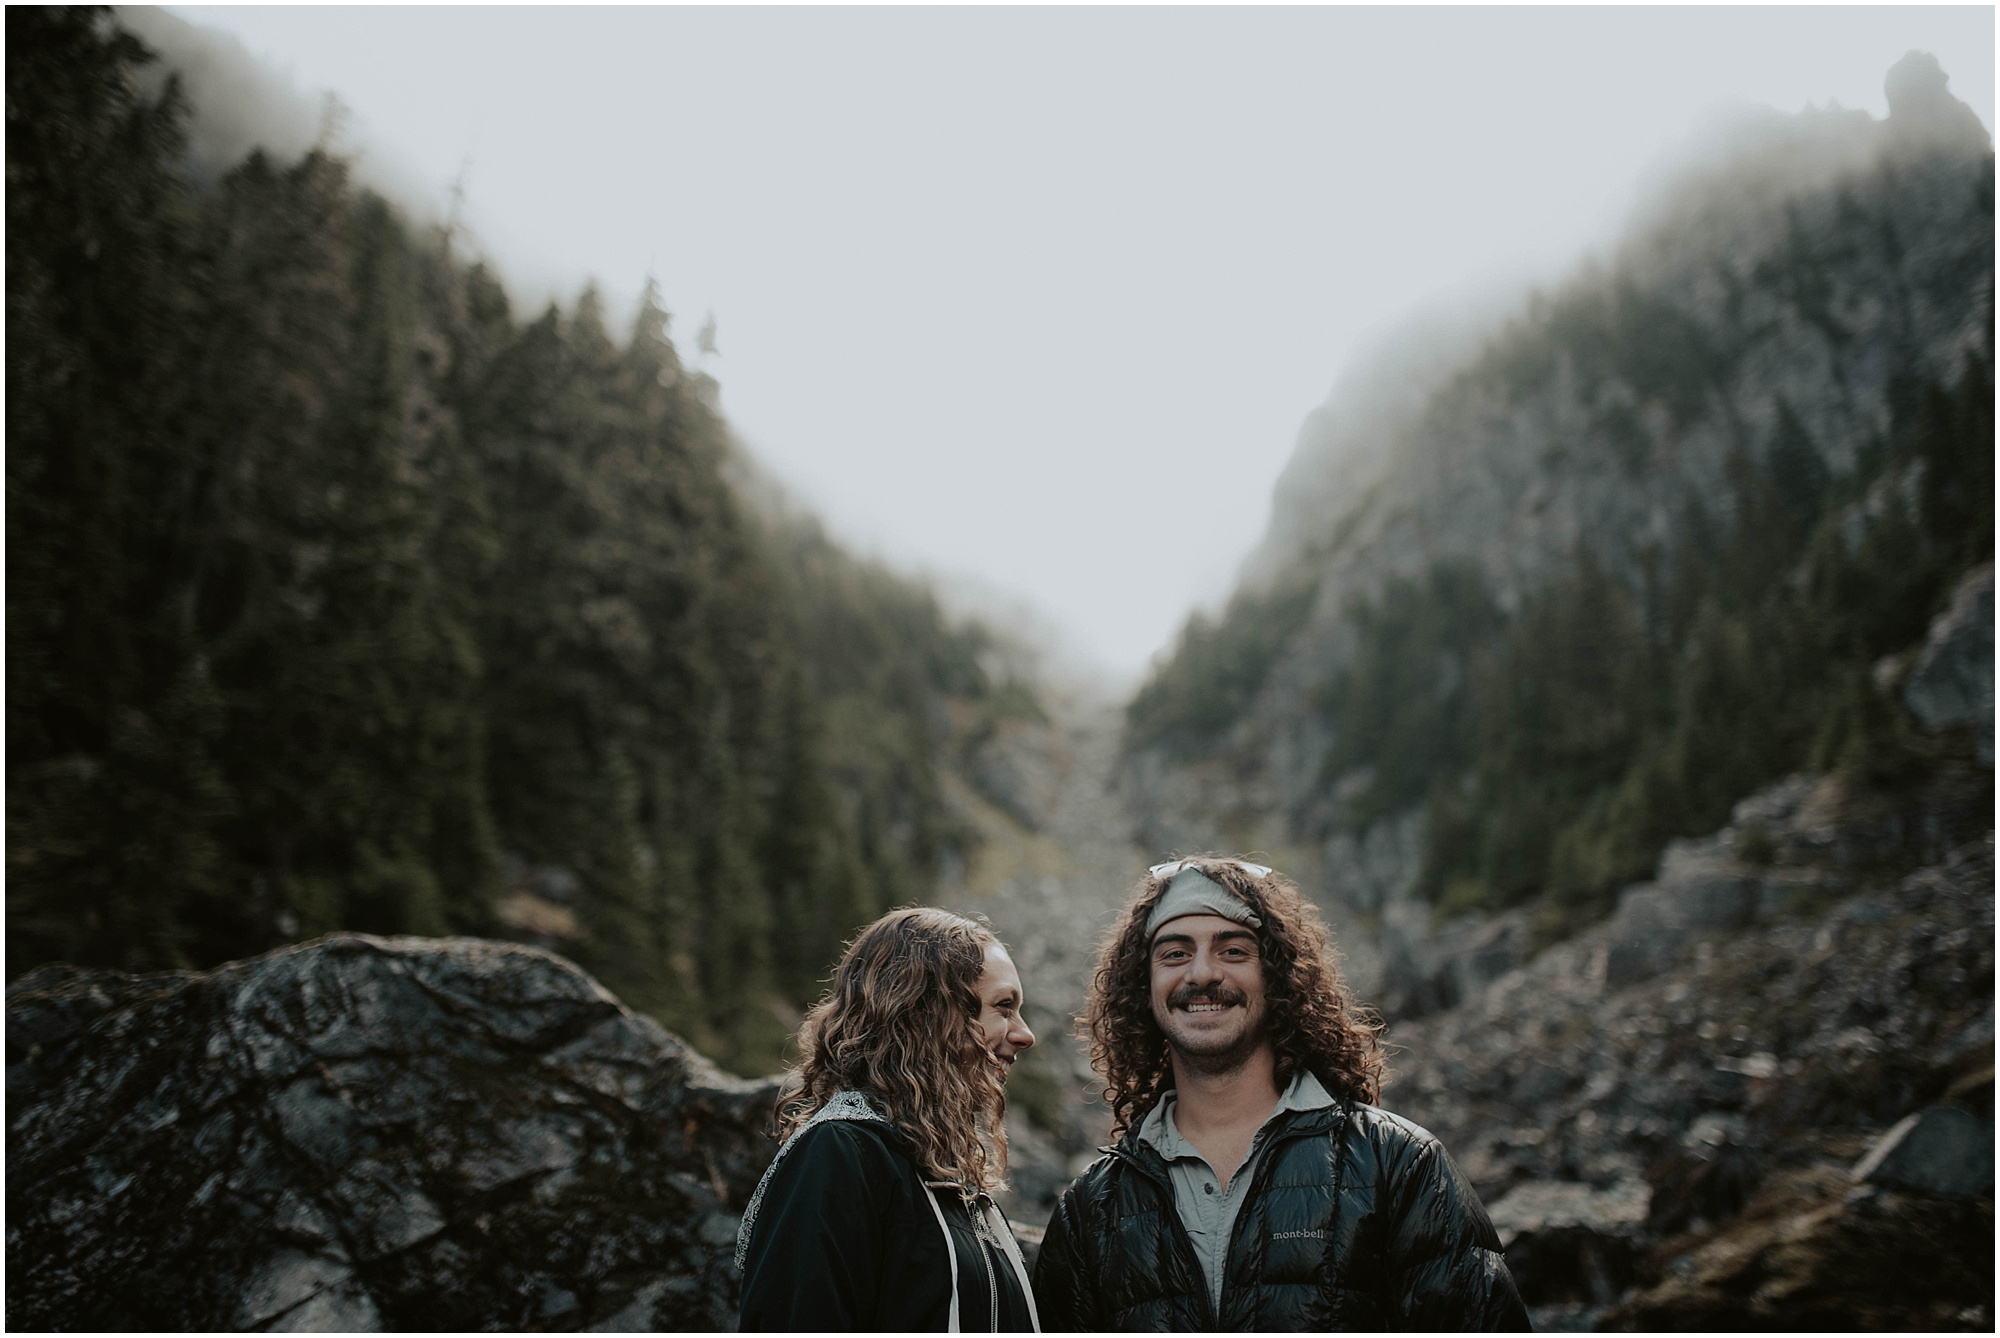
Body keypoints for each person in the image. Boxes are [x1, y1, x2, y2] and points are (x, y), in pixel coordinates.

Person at [1032, 856, 1528, 1330]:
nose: (1202, 974)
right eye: (1175, 954)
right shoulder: (1092, 1208)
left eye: (1233, 950)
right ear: (1144, 986)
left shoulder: (1398, 1166)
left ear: (1279, 977)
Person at [736, 907, 1043, 1331]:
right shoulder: (838, 1154)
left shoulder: (939, 1173)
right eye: (1004, 1006)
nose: (1025, 1035)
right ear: (928, 1013)